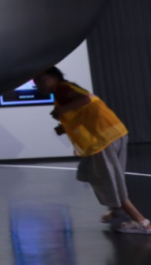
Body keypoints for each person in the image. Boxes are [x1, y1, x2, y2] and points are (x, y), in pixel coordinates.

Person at [34, 66, 150, 235]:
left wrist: (61, 110)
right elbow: (84, 112)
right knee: (94, 172)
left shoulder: (62, 89)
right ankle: (118, 209)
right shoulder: (65, 90)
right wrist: (64, 126)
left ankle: (141, 222)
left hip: (103, 140)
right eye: (36, 82)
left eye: (42, 80)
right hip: (115, 133)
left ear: (55, 77)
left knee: (110, 181)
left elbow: (85, 100)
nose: (39, 85)